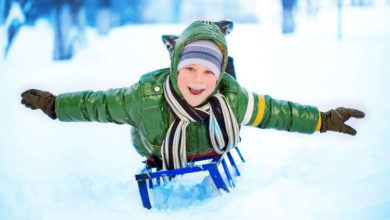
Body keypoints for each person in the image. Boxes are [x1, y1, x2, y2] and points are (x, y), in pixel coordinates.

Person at [20, 20, 365, 170]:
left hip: (214, 136)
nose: (198, 81)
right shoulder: (142, 98)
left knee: (231, 83)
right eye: (188, 68)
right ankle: (186, 44)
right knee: (189, 76)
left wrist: (323, 120)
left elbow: (277, 112)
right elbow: (95, 105)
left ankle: (213, 36)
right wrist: (53, 105)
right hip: (157, 143)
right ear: (174, 67)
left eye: (208, 72)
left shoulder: (231, 98)